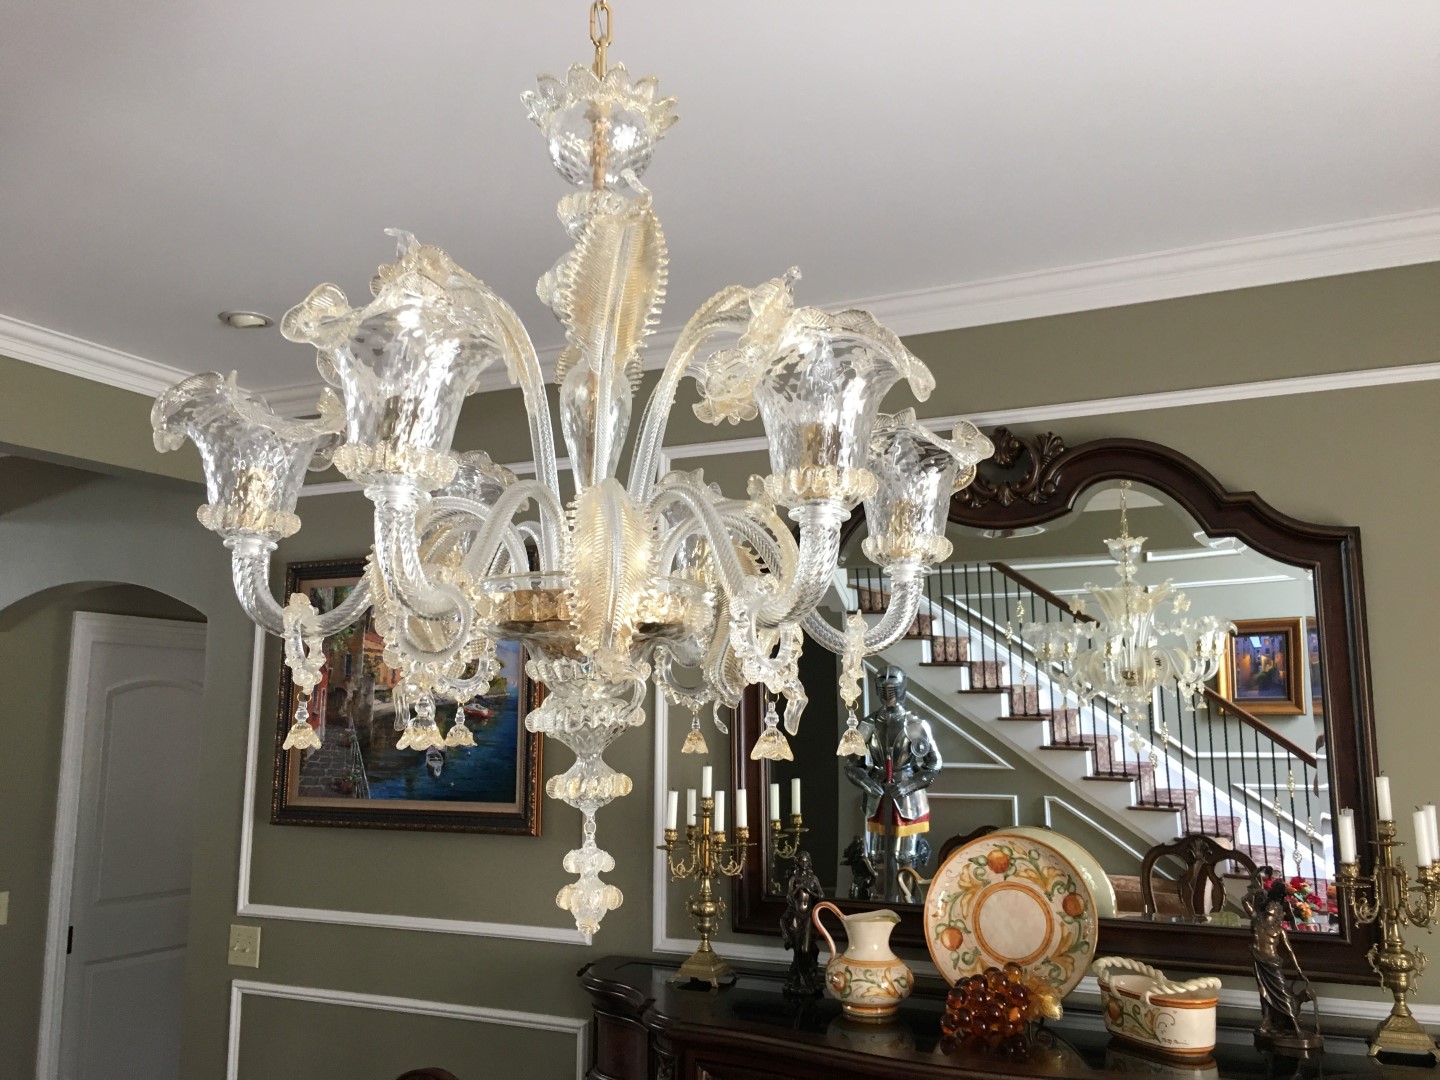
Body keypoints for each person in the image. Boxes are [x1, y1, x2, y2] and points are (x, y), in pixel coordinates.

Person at [843, 666, 942, 902]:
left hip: (907, 795)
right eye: (883, 684)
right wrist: (868, 784)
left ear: (902, 685)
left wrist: (908, 786)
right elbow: (851, 764)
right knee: (876, 856)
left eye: (892, 684)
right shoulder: (867, 724)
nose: (888, 689)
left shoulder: (915, 724)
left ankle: (907, 903)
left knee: (906, 856)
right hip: (877, 793)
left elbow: (934, 763)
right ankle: (879, 901)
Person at [780, 852, 825, 997]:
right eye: (801, 861)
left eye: (806, 861)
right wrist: (798, 890)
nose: (804, 863)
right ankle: (801, 978)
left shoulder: (813, 879)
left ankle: (804, 975)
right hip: (796, 915)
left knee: (805, 949)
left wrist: (809, 891)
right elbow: (789, 898)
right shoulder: (794, 879)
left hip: (808, 916)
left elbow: (821, 896)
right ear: (798, 862)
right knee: (797, 949)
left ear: (809, 862)